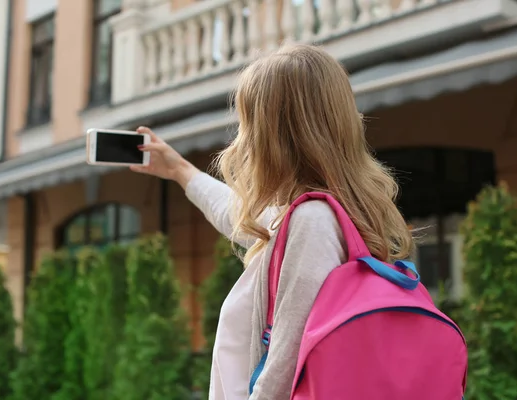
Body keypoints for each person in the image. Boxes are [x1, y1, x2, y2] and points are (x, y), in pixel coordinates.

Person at [130, 44, 414, 400]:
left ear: (274, 133)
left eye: (248, 121)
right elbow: (237, 215)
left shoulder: (312, 222)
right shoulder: (320, 215)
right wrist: (179, 170)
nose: (242, 138)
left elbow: (285, 367)